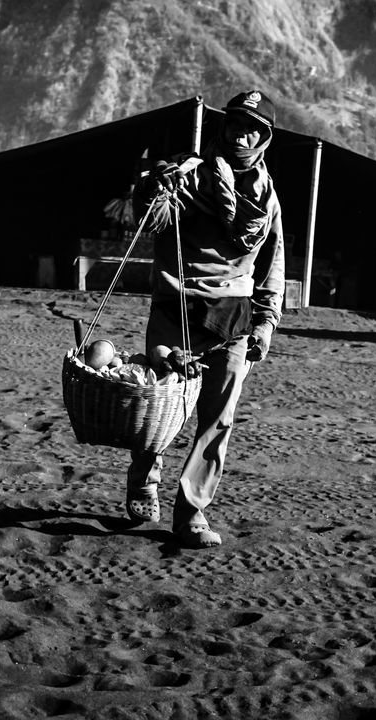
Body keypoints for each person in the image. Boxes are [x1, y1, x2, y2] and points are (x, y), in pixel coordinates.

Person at [126, 90, 285, 549]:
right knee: (160, 407)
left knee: (217, 420)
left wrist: (266, 323)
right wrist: (151, 188)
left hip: (233, 317)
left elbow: (271, 268)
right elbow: (148, 220)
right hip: (174, 308)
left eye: (255, 128)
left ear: (266, 138)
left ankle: (191, 512)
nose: (243, 134)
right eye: (236, 124)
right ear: (223, 127)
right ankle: (144, 477)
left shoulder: (267, 201)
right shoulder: (188, 177)